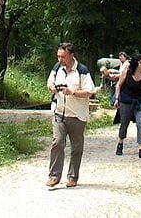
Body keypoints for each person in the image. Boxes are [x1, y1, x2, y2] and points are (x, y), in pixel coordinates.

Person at [46, 41, 96, 188]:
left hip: (77, 115)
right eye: (58, 56)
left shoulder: (82, 70)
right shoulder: (57, 68)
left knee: (76, 148)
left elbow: (90, 91)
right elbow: (50, 82)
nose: (60, 60)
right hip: (59, 113)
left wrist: (73, 92)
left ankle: (73, 177)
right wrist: (52, 88)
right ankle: (54, 176)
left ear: (71, 55)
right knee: (57, 142)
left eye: (63, 57)